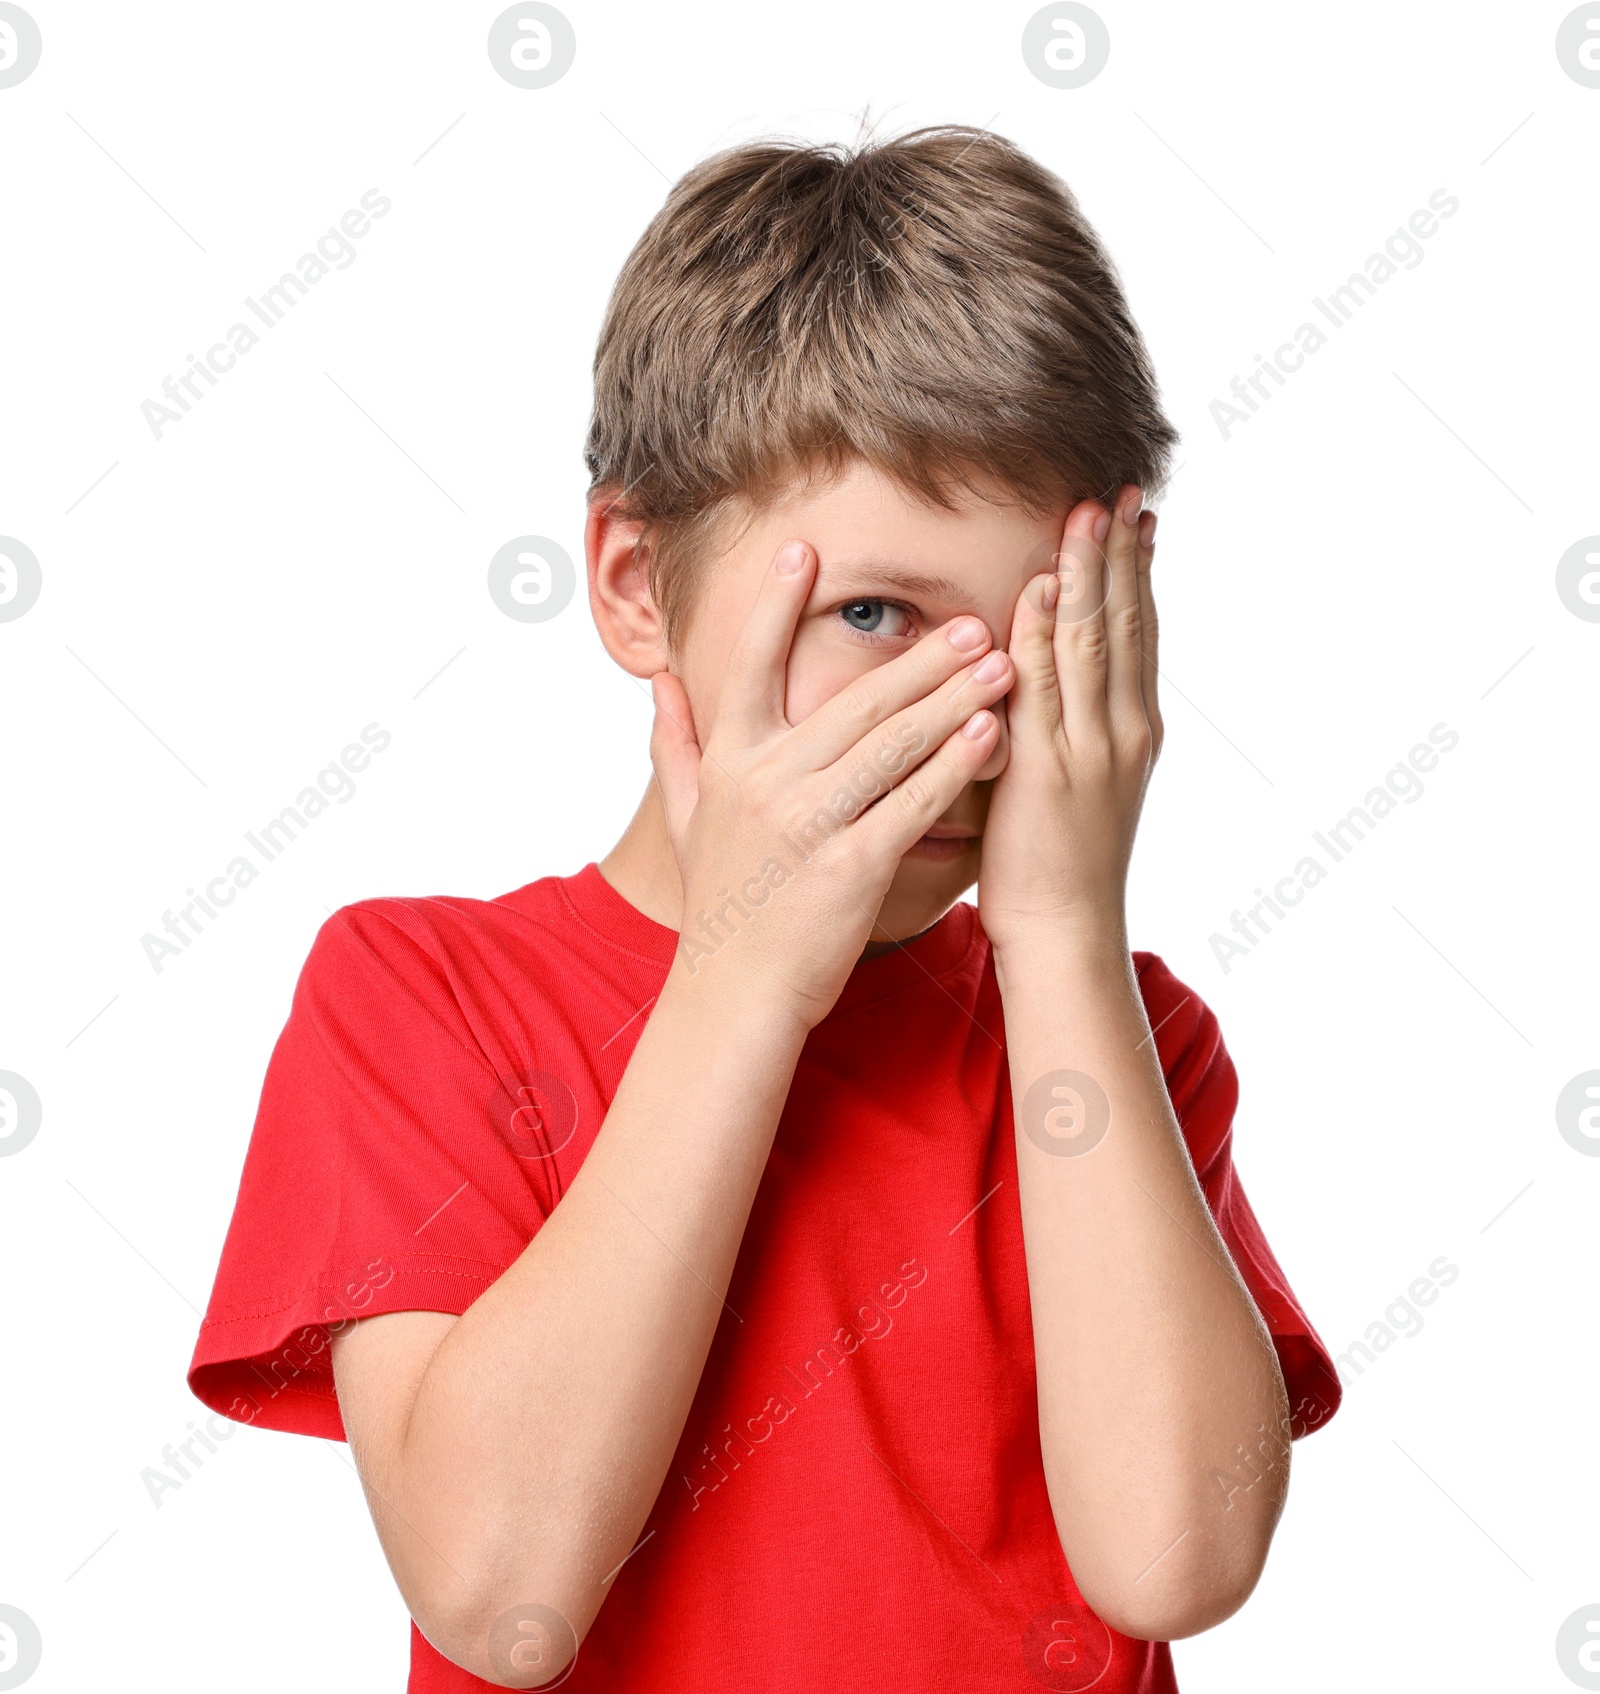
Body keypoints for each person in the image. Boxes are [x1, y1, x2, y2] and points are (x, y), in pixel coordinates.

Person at [189, 124, 1340, 1692]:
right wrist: (743, 977)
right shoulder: (421, 994)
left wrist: (1065, 943)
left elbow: (1171, 1556)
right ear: (633, 587)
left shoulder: (1124, 1046)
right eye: (877, 616)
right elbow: (495, 1582)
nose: (977, 723)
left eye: (1042, 634)